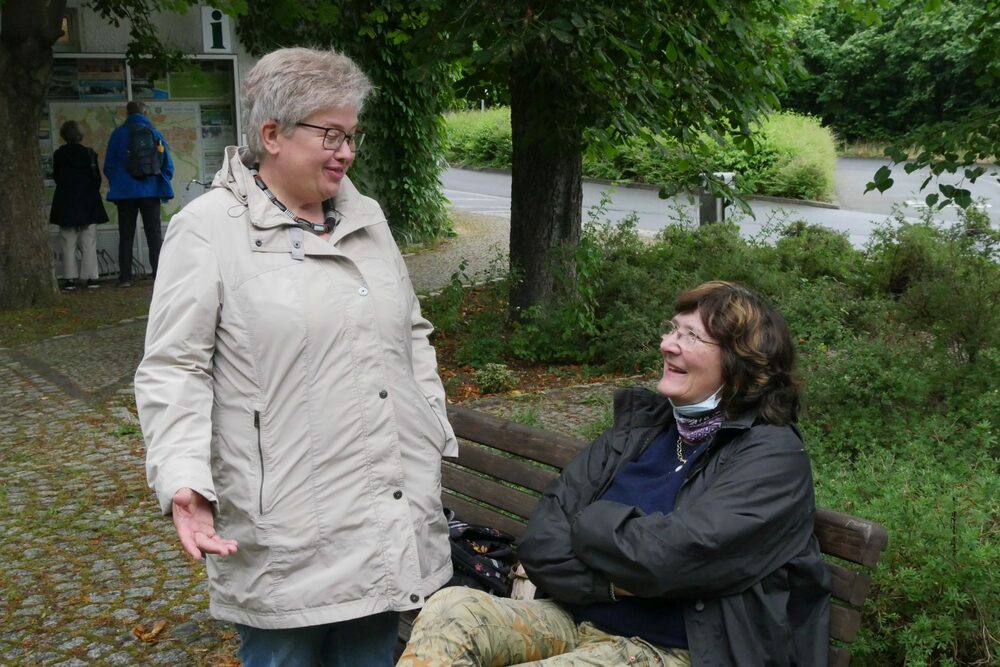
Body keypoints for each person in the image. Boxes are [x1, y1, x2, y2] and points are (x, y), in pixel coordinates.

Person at [134, 47, 458, 667]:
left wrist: (429, 419)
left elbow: (412, 331)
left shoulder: (366, 217)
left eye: (352, 135)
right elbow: (175, 367)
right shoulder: (208, 229)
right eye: (330, 134)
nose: (346, 151)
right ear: (272, 135)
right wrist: (183, 478)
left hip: (383, 510)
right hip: (286, 528)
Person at [399, 281, 831, 667]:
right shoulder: (642, 430)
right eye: (672, 329)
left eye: (690, 336)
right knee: (453, 612)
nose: (667, 344)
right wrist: (612, 586)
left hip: (673, 650)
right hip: (572, 620)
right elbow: (542, 540)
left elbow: (670, 557)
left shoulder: (773, 457)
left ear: (740, 362)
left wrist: (590, 523)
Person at [103, 100, 174, 287]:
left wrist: (118, 182)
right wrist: (158, 181)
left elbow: (108, 165)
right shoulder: (154, 133)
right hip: (150, 191)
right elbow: (167, 164)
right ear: (145, 113)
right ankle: (158, 275)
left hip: (125, 193)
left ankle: (125, 277)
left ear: (127, 113)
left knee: (126, 235)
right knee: (154, 235)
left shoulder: (118, 134)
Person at [50, 120, 108, 290]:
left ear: (64, 135)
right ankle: (91, 277)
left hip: (66, 201)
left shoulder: (59, 155)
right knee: (89, 241)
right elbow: (96, 179)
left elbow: (57, 177)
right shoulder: (89, 153)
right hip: (88, 201)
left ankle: (69, 279)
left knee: (68, 241)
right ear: (80, 135)